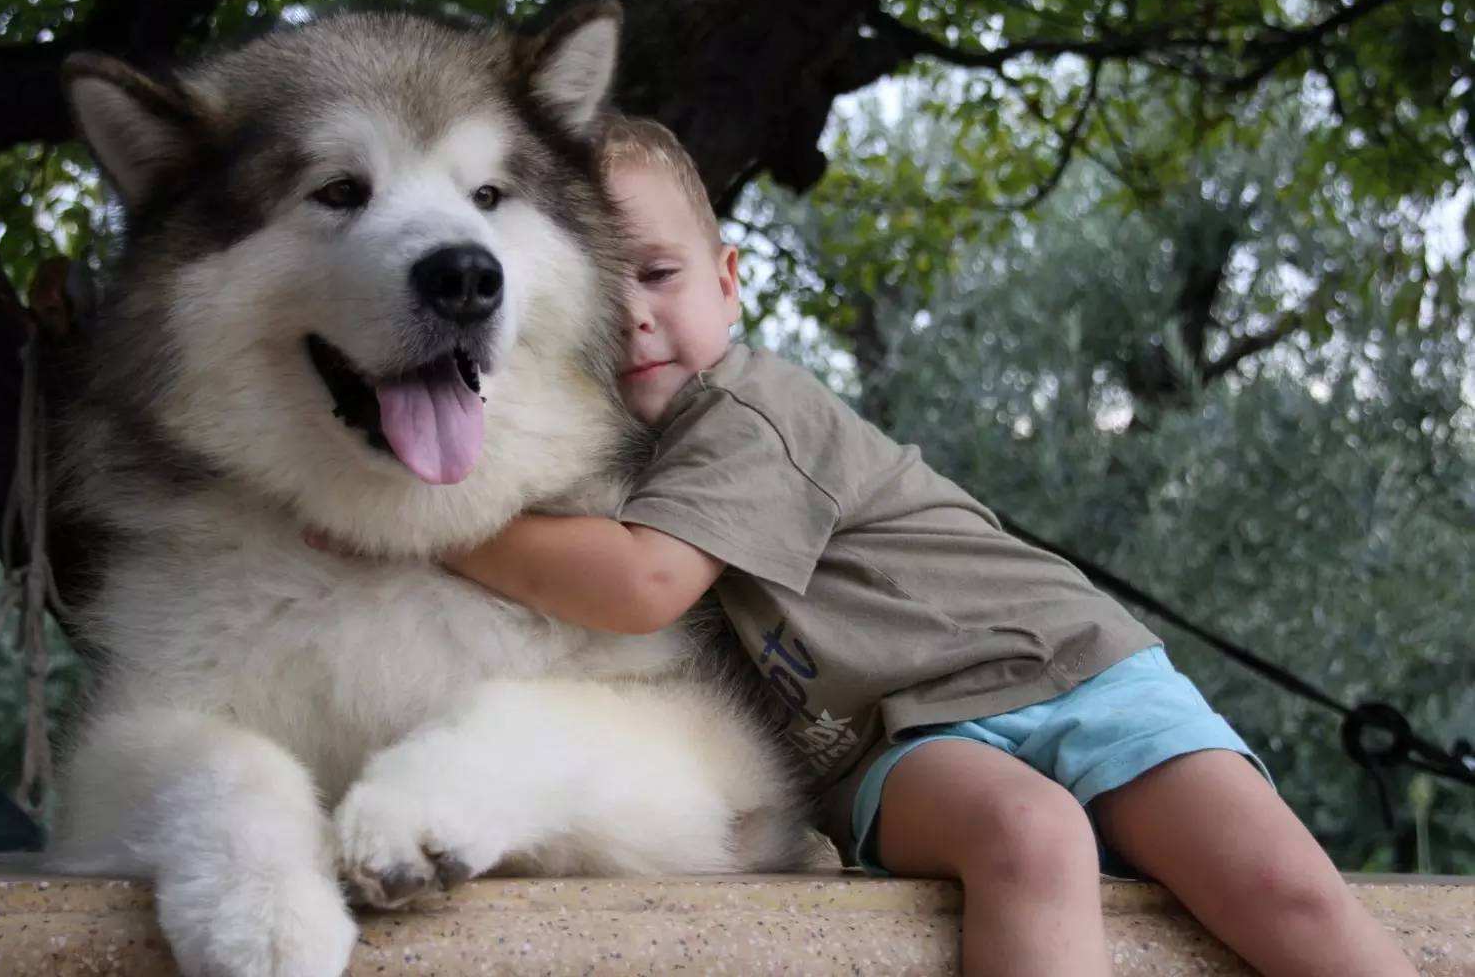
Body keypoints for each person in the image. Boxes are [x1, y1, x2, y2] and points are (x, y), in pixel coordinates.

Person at [404, 115, 1415, 976]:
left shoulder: (750, 407)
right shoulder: (592, 455)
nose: (631, 315)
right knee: (1029, 834)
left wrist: (435, 528)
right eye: (594, 289)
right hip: (901, 745)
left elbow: (643, 584)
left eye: (659, 274)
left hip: (1064, 670)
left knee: (1289, 897)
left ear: (728, 281)